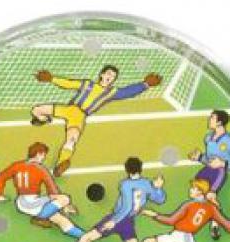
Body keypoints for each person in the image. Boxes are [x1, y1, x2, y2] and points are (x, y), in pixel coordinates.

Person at [48, 157, 166, 242]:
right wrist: (158, 188)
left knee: (87, 238)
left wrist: (113, 221)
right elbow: (160, 200)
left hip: (117, 218)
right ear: (140, 169)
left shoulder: (126, 184)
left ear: (127, 170)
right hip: (128, 221)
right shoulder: (147, 184)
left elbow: (126, 206)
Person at [30, 65, 162, 176]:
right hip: (67, 109)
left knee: (71, 140)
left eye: (113, 76)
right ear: (102, 74)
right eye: (109, 73)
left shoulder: (112, 92)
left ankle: (61, 164)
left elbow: (128, 91)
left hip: (79, 116)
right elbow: (68, 83)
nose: (110, 77)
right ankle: (44, 119)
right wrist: (51, 79)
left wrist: (145, 85)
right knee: (36, 110)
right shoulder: (87, 84)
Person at [0, 142, 84, 238]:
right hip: (32, 203)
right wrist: (64, 203)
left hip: (20, 203)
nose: (43, 158)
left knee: (60, 219)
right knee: (65, 198)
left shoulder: (16, 165)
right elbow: (52, 190)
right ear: (38, 154)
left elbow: (0, 177)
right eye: (43, 155)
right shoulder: (40, 169)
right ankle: (40, 218)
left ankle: (84, 236)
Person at [188, 109, 230, 239]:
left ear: (219, 122)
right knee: (197, 193)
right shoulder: (208, 138)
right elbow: (209, 160)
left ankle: (215, 225)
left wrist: (223, 163)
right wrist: (199, 157)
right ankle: (205, 217)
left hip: (218, 173)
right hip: (206, 171)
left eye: (212, 118)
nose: (209, 120)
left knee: (210, 196)